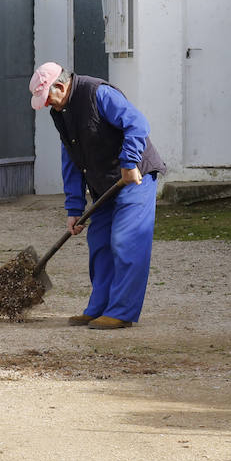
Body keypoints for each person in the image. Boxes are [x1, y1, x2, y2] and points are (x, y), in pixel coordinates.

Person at [29, 62, 165, 329]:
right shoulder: (61, 110)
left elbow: (137, 124)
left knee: (126, 241)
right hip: (104, 185)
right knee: (100, 244)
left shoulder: (98, 93)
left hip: (134, 179)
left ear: (60, 85)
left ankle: (122, 311)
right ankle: (99, 307)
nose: (46, 105)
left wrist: (129, 163)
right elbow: (71, 158)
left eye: (47, 99)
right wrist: (74, 208)